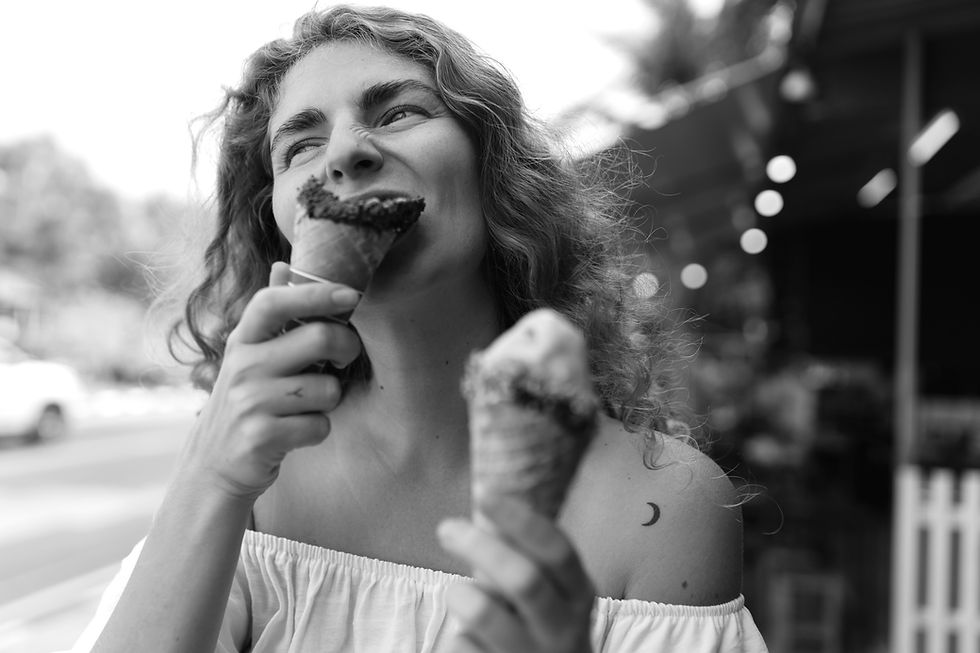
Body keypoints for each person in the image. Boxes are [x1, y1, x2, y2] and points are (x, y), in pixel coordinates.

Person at [72, 5, 767, 652]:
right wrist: (209, 473)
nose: (344, 153)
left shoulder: (665, 508)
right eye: (299, 147)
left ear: (494, 172)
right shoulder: (249, 487)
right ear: (278, 225)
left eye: (398, 112)